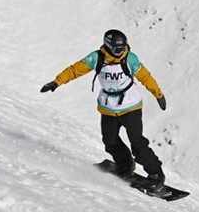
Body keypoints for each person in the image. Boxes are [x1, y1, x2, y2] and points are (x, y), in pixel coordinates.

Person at [40, 29, 168, 190]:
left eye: (123, 48)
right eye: (117, 49)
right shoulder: (96, 58)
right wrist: (57, 82)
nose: (121, 52)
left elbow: (145, 76)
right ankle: (125, 165)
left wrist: (158, 94)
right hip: (108, 108)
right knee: (110, 141)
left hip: (131, 107)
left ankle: (156, 174)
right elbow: (75, 70)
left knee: (137, 143)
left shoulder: (130, 59)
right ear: (108, 46)